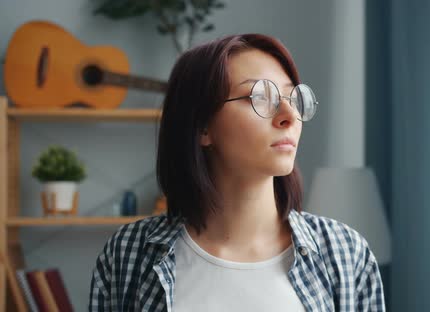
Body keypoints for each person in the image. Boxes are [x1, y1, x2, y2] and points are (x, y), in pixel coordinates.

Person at [89, 34, 385, 311]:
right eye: (259, 97)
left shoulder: (345, 252)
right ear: (203, 126)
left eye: (292, 98)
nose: (289, 116)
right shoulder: (129, 253)